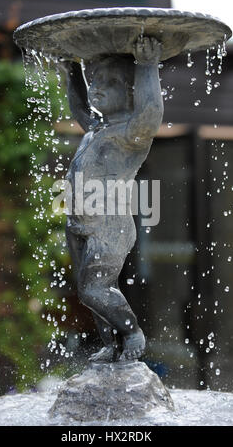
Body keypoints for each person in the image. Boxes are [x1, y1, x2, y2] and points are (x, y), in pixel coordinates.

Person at [61, 36, 163, 362]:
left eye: (109, 82)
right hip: (80, 224)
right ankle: (112, 344)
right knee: (89, 292)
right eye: (94, 81)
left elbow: (150, 113)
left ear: (131, 91)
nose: (97, 88)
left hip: (109, 226)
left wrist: (147, 66)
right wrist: (72, 70)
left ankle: (132, 330)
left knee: (94, 289)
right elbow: (79, 106)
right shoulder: (96, 126)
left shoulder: (130, 133)